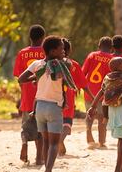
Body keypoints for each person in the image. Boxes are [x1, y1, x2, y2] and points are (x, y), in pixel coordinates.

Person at [19, 35, 76, 172]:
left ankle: (46, 166)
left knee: (45, 141)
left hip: (39, 107)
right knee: (54, 144)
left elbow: (21, 79)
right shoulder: (62, 65)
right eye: (61, 49)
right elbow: (69, 67)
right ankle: (48, 170)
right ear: (52, 51)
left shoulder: (37, 65)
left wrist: (37, 75)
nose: (64, 52)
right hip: (53, 107)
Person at [13, 24, 45, 165]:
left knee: (26, 125)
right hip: (43, 96)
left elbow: (19, 77)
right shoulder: (46, 52)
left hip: (27, 97)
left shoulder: (22, 53)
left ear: (29, 37)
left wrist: (23, 93)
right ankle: (40, 157)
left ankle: (25, 145)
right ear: (43, 38)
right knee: (41, 127)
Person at [58, 38, 94, 156]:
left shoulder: (51, 63)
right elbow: (84, 85)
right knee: (67, 124)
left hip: (52, 96)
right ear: (69, 50)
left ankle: (53, 145)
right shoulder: (73, 64)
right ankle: (60, 140)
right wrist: (93, 98)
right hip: (67, 97)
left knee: (54, 123)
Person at [82, 37, 113, 149]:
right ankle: (101, 141)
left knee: (90, 113)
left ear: (99, 46)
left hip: (89, 91)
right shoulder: (111, 59)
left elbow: (83, 72)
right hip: (103, 93)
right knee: (102, 117)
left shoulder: (91, 55)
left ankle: (88, 131)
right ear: (111, 48)